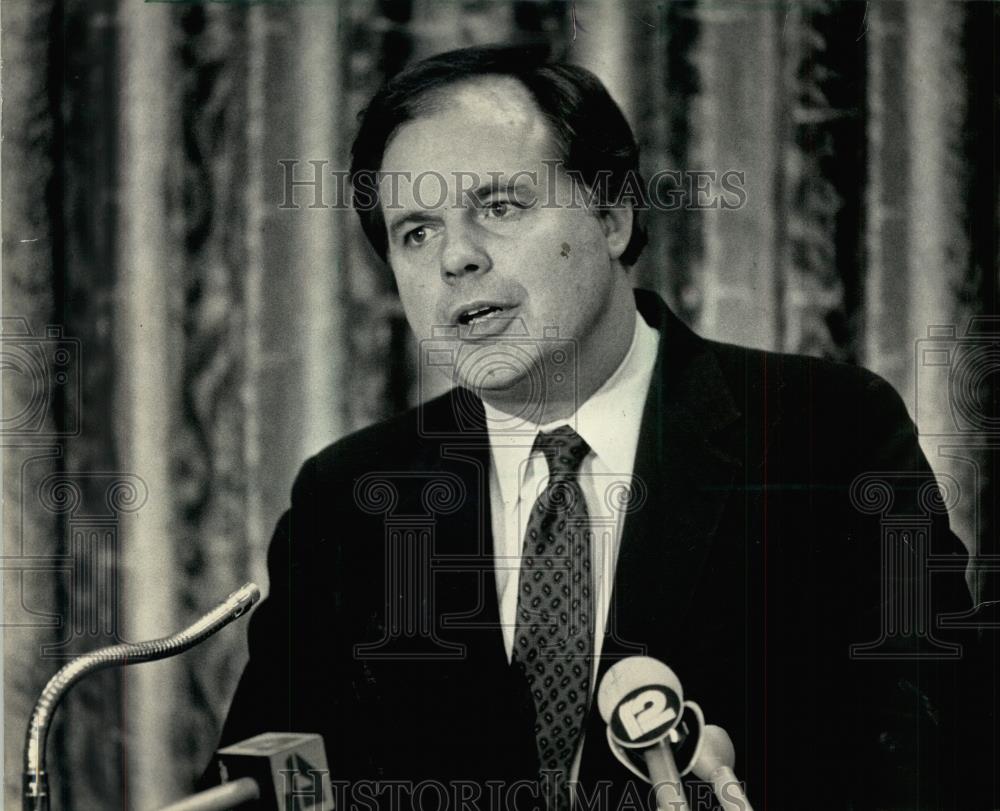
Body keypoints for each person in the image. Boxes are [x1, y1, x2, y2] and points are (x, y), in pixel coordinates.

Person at [208, 46, 983, 810]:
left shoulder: (830, 432)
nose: (456, 260)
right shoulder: (348, 497)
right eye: (416, 231)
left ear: (612, 215)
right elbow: (261, 783)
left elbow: (944, 749)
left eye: (499, 206)